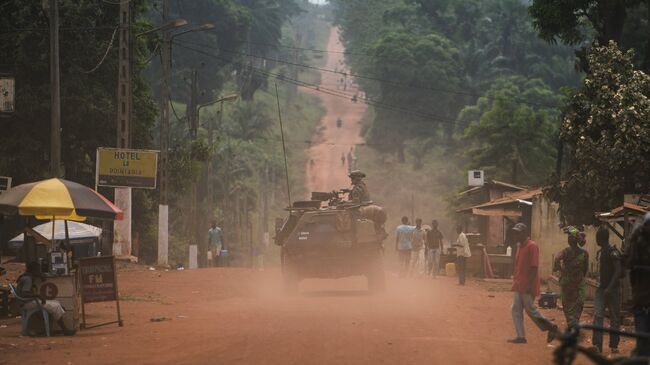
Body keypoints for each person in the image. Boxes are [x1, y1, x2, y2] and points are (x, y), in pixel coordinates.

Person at [508, 223, 557, 344]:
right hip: (519, 283)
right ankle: (521, 336)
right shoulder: (519, 246)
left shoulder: (532, 246)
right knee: (516, 309)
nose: (516, 235)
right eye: (515, 232)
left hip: (528, 285)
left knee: (530, 309)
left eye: (518, 232)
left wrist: (529, 285)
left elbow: (534, 267)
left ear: (524, 233)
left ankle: (551, 326)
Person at [16, 262, 75, 336]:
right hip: (26, 303)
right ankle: (65, 330)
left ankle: (54, 328)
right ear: (33, 270)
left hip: (27, 302)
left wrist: (40, 275)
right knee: (55, 306)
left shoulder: (27, 276)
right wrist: (38, 296)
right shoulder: (28, 279)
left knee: (56, 303)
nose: (39, 271)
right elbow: (24, 293)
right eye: (37, 270)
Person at [591, 226, 622, 354]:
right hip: (601, 289)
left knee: (614, 318)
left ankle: (613, 345)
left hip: (612, 290)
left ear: (600, 238)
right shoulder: (600, 252)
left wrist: (609, 287)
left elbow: (618, 270)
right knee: (598, 316)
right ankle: (597, 345)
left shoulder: (612, 251)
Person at [624, 212, 650, 356]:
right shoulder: (638, 245)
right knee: (642, 347)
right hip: (641, 304)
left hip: (641, 303)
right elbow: (628, 264)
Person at [553, 226, 589, 329]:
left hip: (568, 282)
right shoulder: (584, 254)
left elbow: (556, 259)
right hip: (578, 283)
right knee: (578, 304)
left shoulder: (566, 251)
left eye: (570, 237)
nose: (568, 239)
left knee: (567, 305)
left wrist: (561, 270)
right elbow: (585, 270)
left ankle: (571, 324)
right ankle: (574, 323)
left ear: (573, 240)